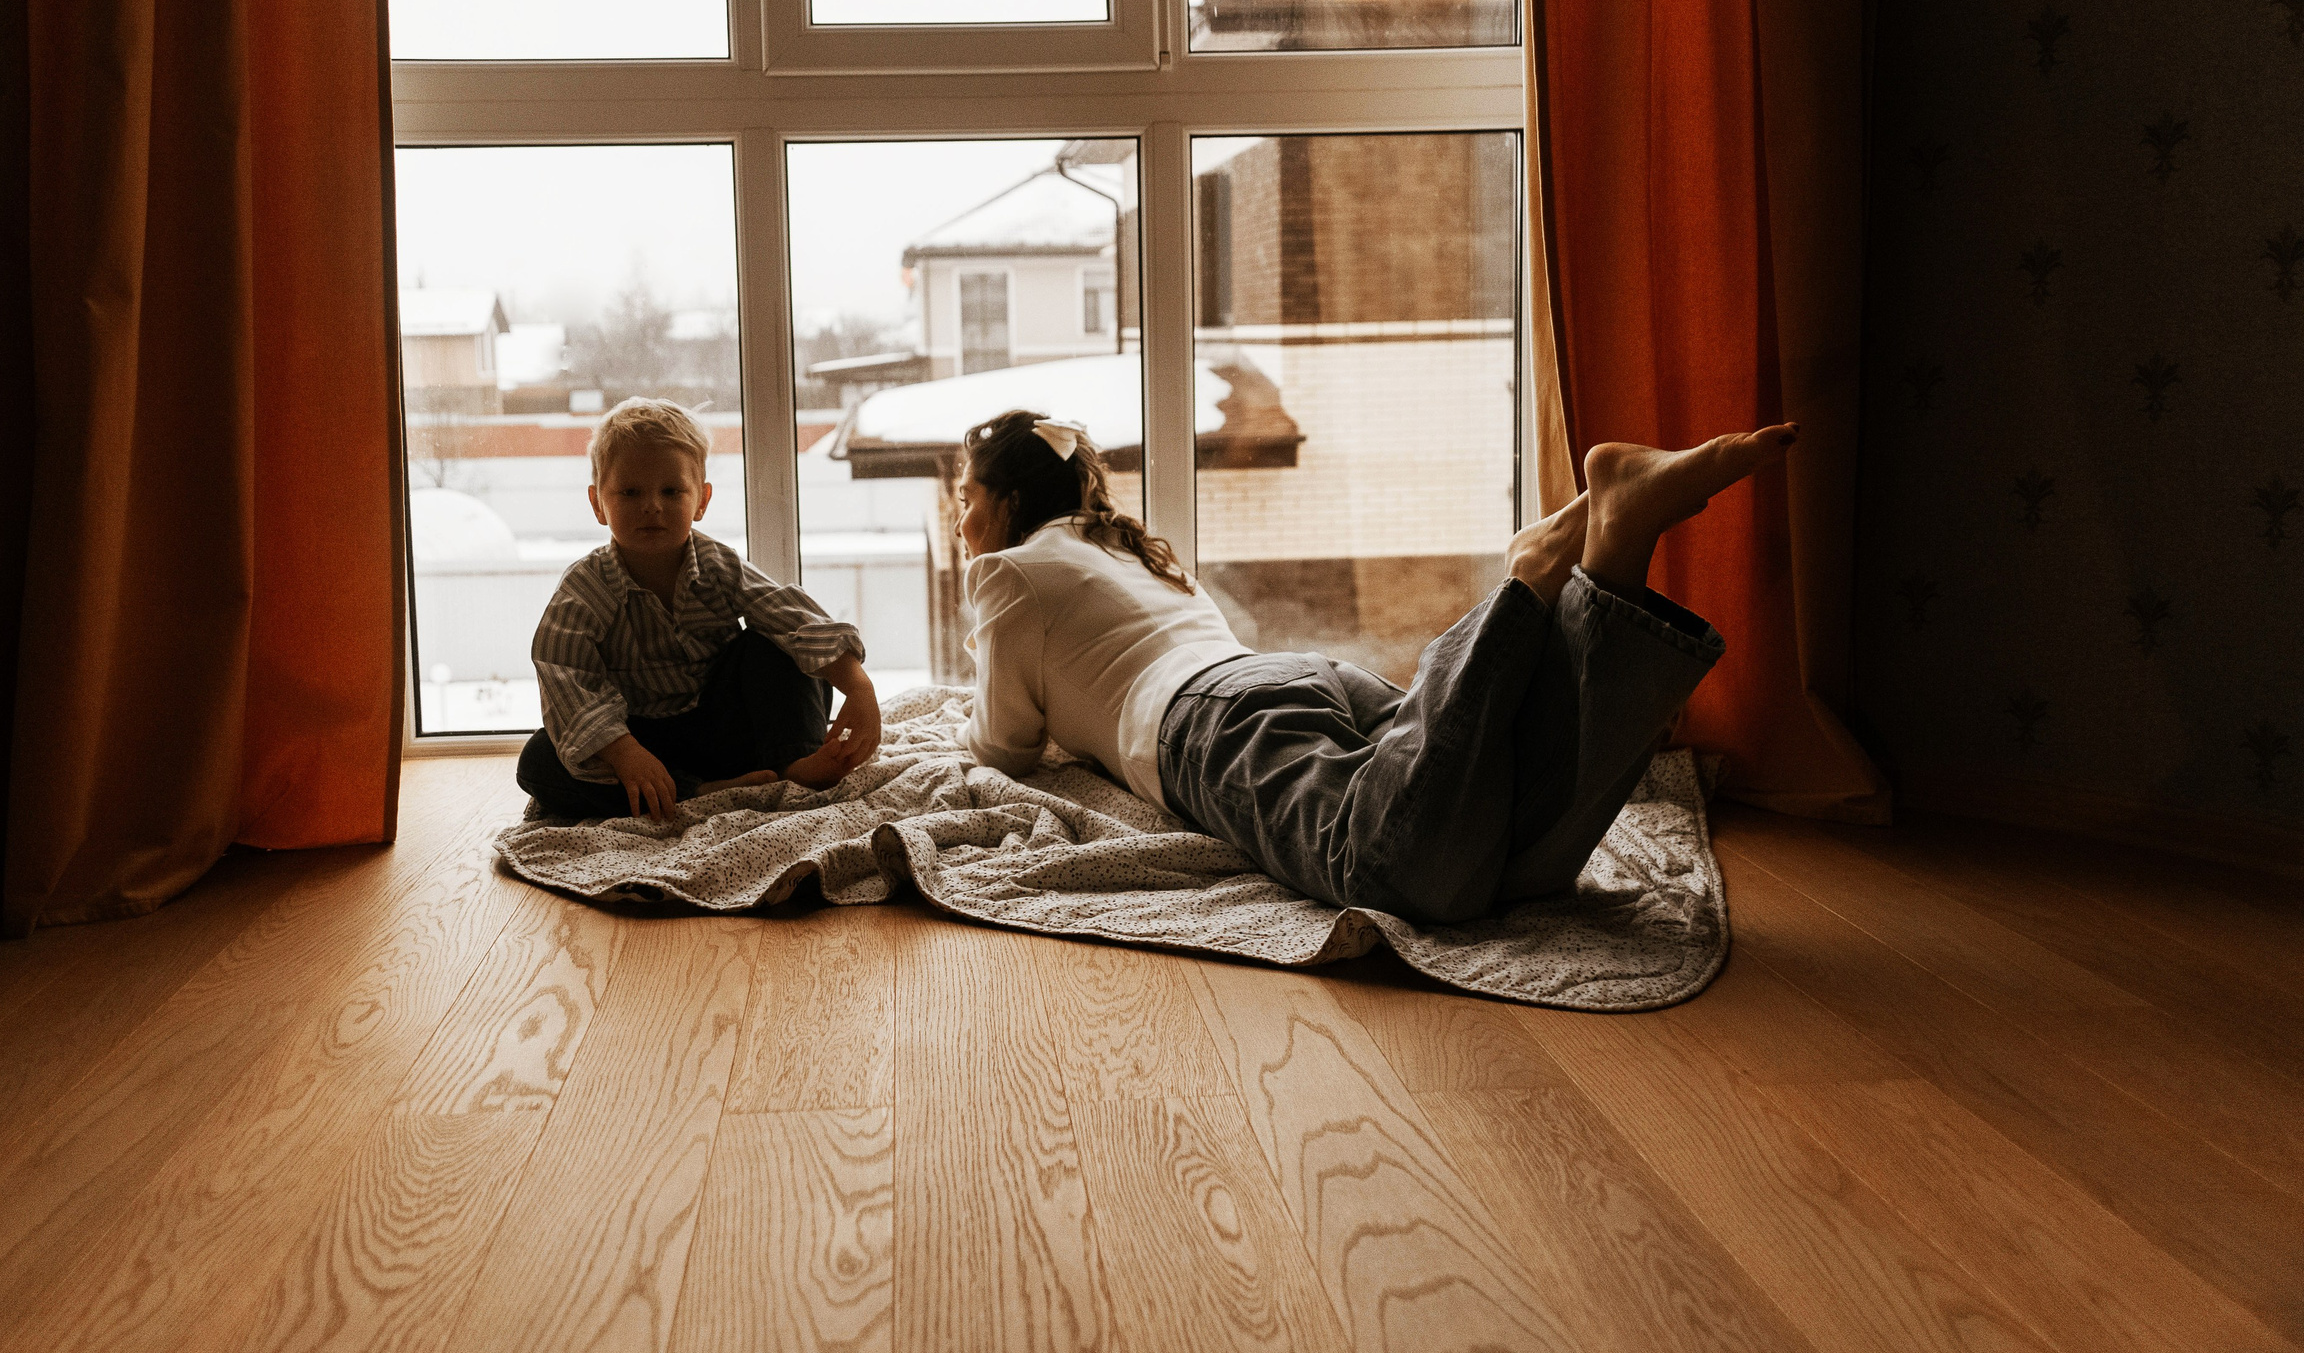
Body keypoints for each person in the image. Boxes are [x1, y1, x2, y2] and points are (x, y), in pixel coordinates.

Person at [954, 407, 1795, 925]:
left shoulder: (1009, 574)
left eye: (966, 498)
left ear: (1011, 504)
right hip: (1294, 680)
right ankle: (1619, 543)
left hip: (1206, 722)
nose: (960, 521)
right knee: (1510, 846)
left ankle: (1527, 583)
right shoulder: (1122, 548)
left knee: (1387, 865)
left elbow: (1003, 746)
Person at [517, 397, 882, 820]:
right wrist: (623, 751)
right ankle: (700, 792)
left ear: (702, 500)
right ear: (598, 503)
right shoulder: (586, 586)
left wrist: (858, 686)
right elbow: (562, 671)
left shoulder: (717, 565)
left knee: (773, 644)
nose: (652, 506)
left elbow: (790, 616)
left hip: (725, 729)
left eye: (671, 491)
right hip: (641, 744)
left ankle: (793, 766)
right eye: (630, 492)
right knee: (539, 761)